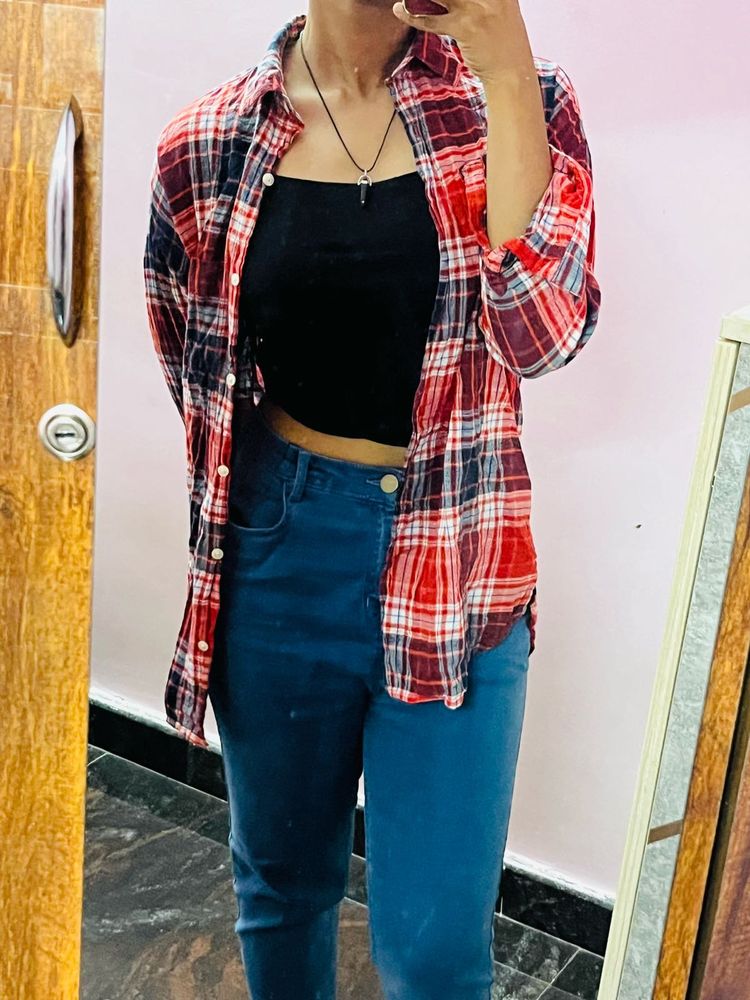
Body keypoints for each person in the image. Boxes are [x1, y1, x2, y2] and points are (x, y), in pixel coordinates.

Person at [143, 3, 601, 997]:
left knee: (436, 958)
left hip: (459, 551)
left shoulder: (521, 101)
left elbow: (541, 334)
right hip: (278, 552)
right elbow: (195, 363)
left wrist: (504, 59)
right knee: (280, 887)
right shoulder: (209, 140)